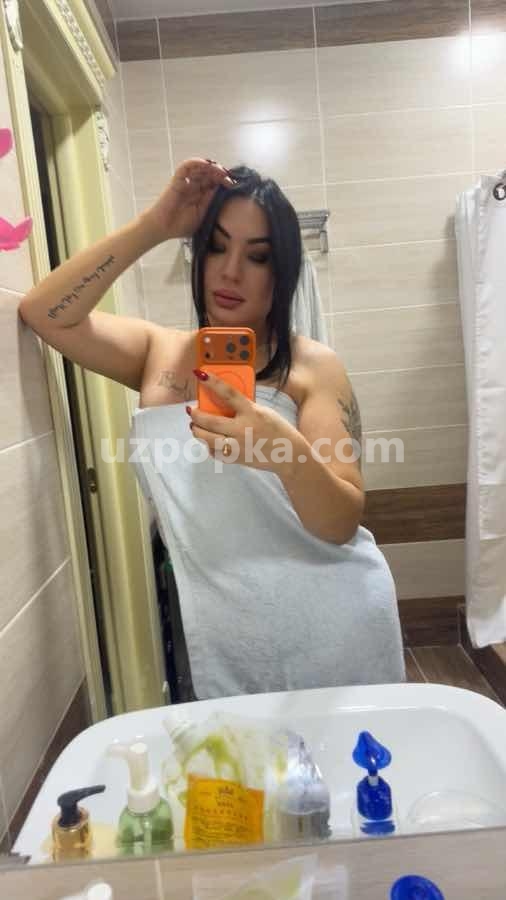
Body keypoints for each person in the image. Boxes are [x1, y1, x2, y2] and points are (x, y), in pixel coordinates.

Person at [19, 156, 405, 699]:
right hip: (229, 633)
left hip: (335, 622)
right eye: (217, 247)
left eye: (258, 256)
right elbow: (44, 312)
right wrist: (156, 224)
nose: (230, 272)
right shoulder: (159, 352)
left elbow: (341, 522)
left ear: (282, 273)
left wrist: (284, 450)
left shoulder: (312, 368)